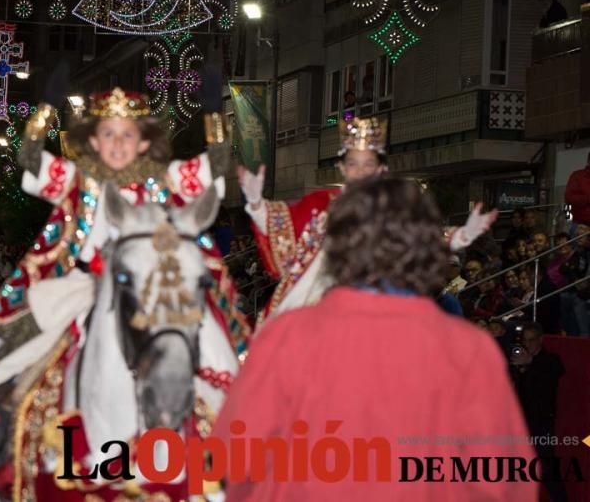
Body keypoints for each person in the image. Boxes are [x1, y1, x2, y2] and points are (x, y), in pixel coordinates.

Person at [0, 64, 251, 500]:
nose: (117, 144)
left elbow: (216, 163)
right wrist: (45, 109)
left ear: (145, 140)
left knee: (227, 354)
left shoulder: (167, 179)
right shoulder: (78, 178)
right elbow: (29, 157)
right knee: (6, 347)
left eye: (127, 134)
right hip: (85, 289)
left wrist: (213, 112)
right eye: (107, 134)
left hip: (158, 290)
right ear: (92, 139)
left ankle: (246, 447)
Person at [214, 178, 537, 501]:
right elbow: (508, 480)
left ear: (337, 249)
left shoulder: (286, 337)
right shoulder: (468, 350)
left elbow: (235, 456)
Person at [237, 117, 497, 328]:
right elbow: (283, 225)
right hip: (319, 295)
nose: (360, 171)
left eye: (368, 164)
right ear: (342, 167)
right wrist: (257, 204)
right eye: (353, 163)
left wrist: (463, 235)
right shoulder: (321, 203)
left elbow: (423, 238)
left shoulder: (393, 209)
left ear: (380, 169)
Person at [510, 322, 567, 501]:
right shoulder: (520, 361)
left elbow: (554, 373)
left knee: (548, 470)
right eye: (525, 340)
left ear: (541, 340)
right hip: (520, 424)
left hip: (541, 423)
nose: (528, 344)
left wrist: (530, 364)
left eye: (532, 340)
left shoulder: (551, 360)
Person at [564, 151, 590, 225]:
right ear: (588, 161)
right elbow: (568, 198)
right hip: (579, 223)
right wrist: (568, 220)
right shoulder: (577, 176)